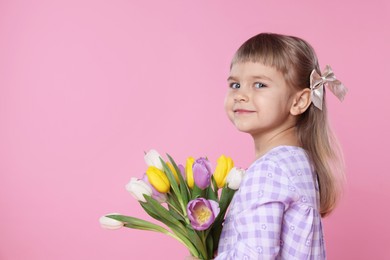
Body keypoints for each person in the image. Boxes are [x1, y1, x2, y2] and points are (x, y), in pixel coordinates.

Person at [215, 33, 347, 259]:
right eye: (235, 84)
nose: (240, 95)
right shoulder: (299, 162)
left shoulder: (269, 171)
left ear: (299, 101)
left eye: (259, 84)